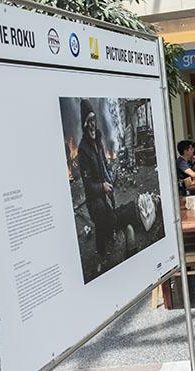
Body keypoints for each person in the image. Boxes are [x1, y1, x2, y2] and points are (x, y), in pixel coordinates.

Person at [78, 99, 116, 272]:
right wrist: (102, 187)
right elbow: (87, 185)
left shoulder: (98, 139)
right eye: (89, 121)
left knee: (112, 217)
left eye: (94, 120)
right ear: (85, 125)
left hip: (104, 188)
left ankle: (109, 234)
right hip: (94, 197)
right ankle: (101, 254)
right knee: (100, 217)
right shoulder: (82, 150)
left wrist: (109, 178)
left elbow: (103, 163)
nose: (93, 125)